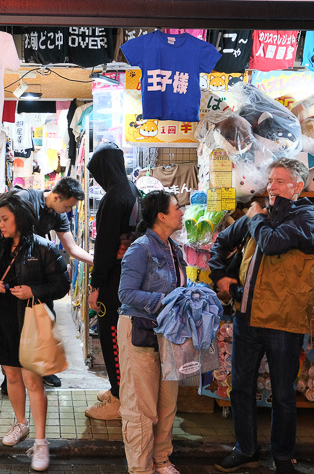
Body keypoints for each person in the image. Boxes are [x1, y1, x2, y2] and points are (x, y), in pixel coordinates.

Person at [208, 158, 314, 474]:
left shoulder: (307, 217)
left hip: (283, 322)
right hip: (247, 316)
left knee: (284, 394)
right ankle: (246, 449)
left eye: (280, 181)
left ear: (298, 186)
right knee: (240, 387)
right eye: (271, 180)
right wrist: (220, 276)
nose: (272, 186)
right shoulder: (261, 215)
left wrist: (255, 217)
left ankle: (283, 456)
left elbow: (272, 243)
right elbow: (222, 242)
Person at [0, 190, 70, 472]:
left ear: (20, 217)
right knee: (12, 378)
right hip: (3, 320)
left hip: (31, 322)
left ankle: (41, 442)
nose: (0, 225)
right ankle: (21, 424)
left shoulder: (44, 247)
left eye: (5, 219)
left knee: (33, 381)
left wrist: (33, 291)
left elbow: (62, 285)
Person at [117, 190, 186, 474]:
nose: (181, 212)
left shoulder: (174, 249)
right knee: (140, 407)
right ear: (161, 216)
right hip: (140, 331)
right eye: (177, 207)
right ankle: (140, 468)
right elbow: (126, 293)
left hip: (168, 334)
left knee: (167, 403)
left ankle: (161, 459)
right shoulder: (141, 248)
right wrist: (164, 302)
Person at [5, 176, 93, 389]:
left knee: (45, 320)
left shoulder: (58, 214)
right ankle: (11, 378)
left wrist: (95, 261)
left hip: (38, 275)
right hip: (14, 274)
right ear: (55, 196)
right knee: (14, 326)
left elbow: (71, 248)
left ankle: (44, 369)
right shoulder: (24, 199)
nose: (68, 210)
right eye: (67, 205)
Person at [84, 141, 140, 420]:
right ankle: (118, 390)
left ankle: (118, 400)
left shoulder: (112, 198)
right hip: (129, 276)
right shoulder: (133, 189)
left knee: (112, 336)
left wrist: (96, 285)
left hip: (113, 280)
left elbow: (104, 248)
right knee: (122, 337)